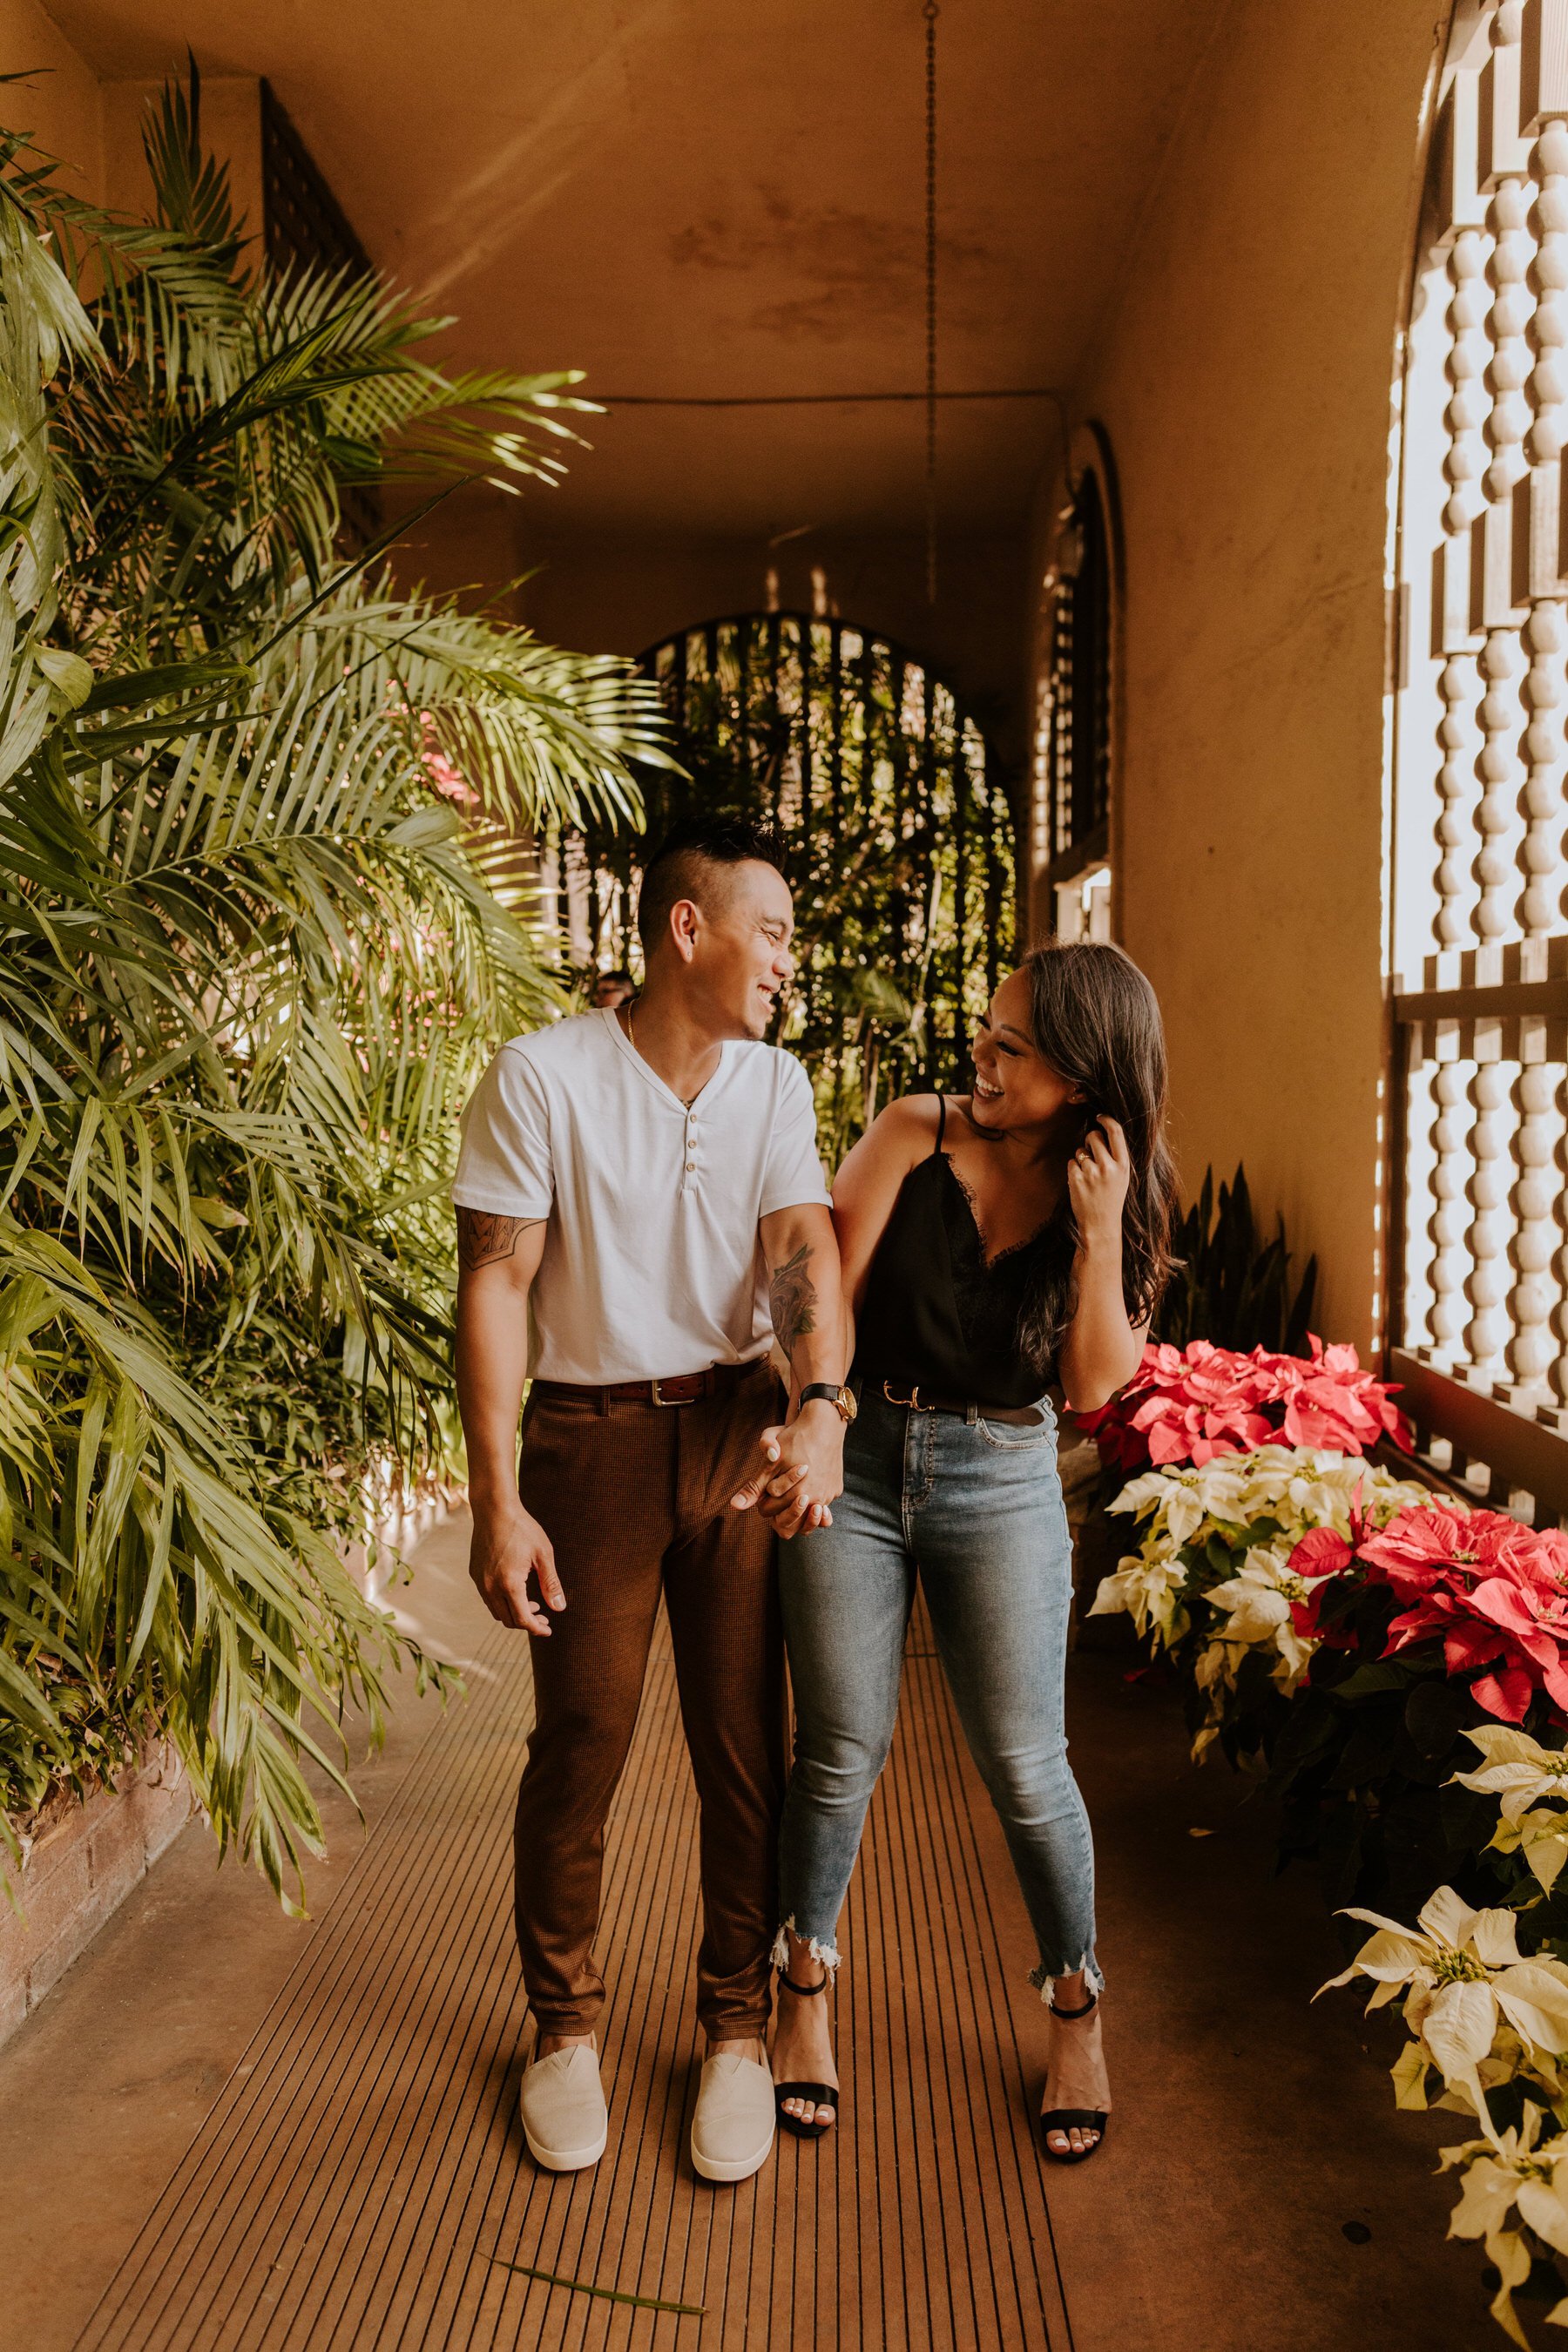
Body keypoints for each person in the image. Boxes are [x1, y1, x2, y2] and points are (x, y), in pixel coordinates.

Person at [451, 817, 850, 2185]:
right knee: (585, 1746)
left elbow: (801, 1247)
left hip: (738, 1432)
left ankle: (734, 2032)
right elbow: (497, 1284)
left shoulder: (775, 1085)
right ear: (691, 929)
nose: (791, 962)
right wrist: (496, 1497)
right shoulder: (541, 1076)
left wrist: (818, 1405)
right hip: (594, 1446)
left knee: (748, 1746)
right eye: (777, 931)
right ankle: (564, 2030)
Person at [761, 941, 1178, 2164]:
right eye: (985, 1033)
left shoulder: (1125, 1187)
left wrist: (1099, 1236)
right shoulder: (911, 1131)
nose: (981, 1061)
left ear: (1086, 1080)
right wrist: (818, 1412)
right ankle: (804, 1992)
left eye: (1014, 1049)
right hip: (865, 1456)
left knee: (1027, 1769)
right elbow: (817, 1283)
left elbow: (1096, 1385)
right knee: (839, 1749)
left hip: (1003, 1477)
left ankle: (1075, 2008)